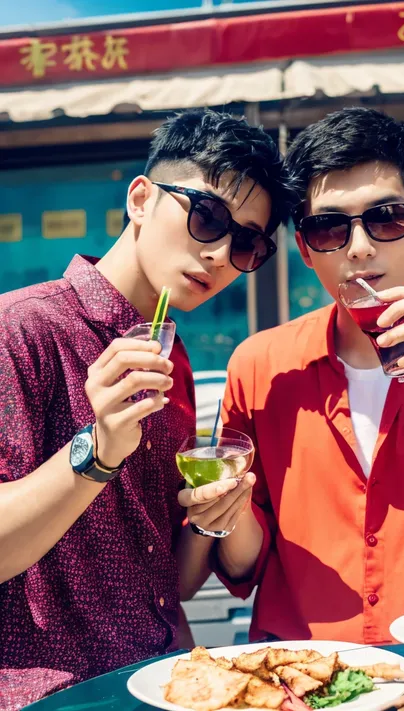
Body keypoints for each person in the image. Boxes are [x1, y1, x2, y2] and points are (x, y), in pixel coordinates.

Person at [0, 109, 295, 708]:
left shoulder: (171, 360)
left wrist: (214, 518)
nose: (219, 255)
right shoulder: (22, 329)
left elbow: (166, 582)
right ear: (141, 199)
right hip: (51, 694)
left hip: (162, 681)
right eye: (206, 217)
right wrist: (98, 452)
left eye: (247, 243)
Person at [179, 107, 404, 646]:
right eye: (330, 226)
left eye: (386, 217)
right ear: (305, 249)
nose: (359, 247)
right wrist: (226, 510)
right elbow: (245, 561)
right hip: (296, 672)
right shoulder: (260, 365)